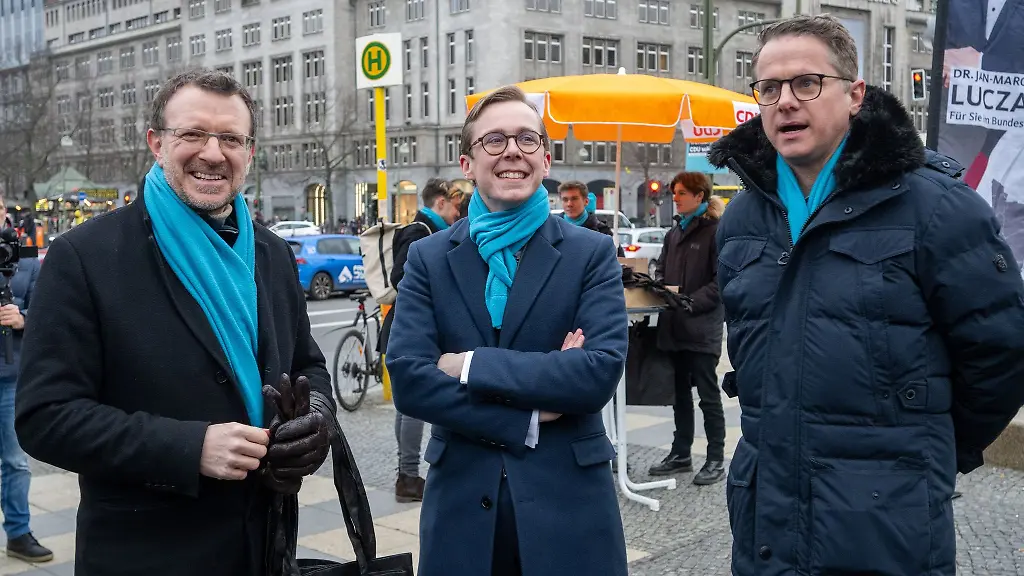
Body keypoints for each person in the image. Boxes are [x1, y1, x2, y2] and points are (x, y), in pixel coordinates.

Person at [707, 15, 1024, 576]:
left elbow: (1001, 352)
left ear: (855, 95)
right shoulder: (743, 217)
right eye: (769, 87)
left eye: (807, 83)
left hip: (884, 525)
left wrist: (925, 454)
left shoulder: (936, 206)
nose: (785, 102)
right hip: (764, 518)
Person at [15, 69, 335, 576]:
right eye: (192, 134)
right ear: (156, 143)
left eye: (231, 138)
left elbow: (308, 366)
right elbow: (45, 417)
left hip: (264, 547)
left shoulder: (271, 253)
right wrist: (189, 448)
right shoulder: (85, 256)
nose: (213, 153)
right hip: (147, 554)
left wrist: (313, 420)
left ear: (248, 152)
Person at [385, 85, 629, 576]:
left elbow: (596, 373)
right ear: (467, 164)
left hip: (569, 507)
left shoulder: (590, 253)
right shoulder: (429, 258)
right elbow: (409, 379)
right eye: (493, 140)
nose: (512, 150)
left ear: (546, 158)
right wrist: (530, 414)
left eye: (527, 139)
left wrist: (469, 364)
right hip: (462, 512)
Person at [377, 177, 463, 503]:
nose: (458, 213)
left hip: (407, 326)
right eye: (455, 206)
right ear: (440, 202)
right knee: (414, 405)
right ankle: (409, 476)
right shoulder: (419, 231)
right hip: (410, 328)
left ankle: (407, 474)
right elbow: (400, 277)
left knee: (407, 406)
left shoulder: (427, 229)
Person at [647, 172, 726, 485]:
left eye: (681, 193)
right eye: (674, 193)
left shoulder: (715, 232)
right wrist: (659, 291)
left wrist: (691, 302)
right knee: (679, 394)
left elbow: (721, 281)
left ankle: (716, 458)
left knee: (708, 396)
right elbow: (663, 270)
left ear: (699, 196)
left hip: (701, 327)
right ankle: (681, 454)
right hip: (674, 326)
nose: (675, 198)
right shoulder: (673, 233)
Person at [0, 198, 51, 563]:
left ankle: (18, 532)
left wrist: (23, 319)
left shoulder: (27, 258)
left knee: (16, 461)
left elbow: (48, 315)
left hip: (10, 378)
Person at [558, 181, 626, 257]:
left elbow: (619, 261)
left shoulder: (602, 232)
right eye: (565, 199)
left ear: (586, 201)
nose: (569, 204)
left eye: (574, 199)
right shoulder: (552, 230)